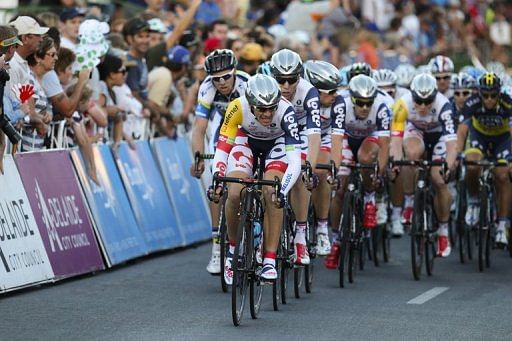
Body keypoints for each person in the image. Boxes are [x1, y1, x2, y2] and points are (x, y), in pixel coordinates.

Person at [209, 74, 302, 282]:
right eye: (261, 109)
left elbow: (295, 160)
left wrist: (283, 190)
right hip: (246, 141)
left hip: (276, 145)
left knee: (271, 193)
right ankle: (233, 251)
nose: (268, 113)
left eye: (272, 108)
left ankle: (269, 259)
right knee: (233, 192)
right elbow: (222, 150)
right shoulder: (237, 106)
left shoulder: (286, 112)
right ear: (251, 105)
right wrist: (218, 177)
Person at [189, 49, 249, 275]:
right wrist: (198, 157)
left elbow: (255, 124)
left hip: (246, 129)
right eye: (217, 79)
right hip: (222, 129)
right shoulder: (206, 87)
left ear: (234, 73)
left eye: (226, 76)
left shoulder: (246, 84)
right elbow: (199, 127)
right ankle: (216, 246)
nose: (222, 82)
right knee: (217, 182)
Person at [324, 75, 391, 269]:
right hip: (346, 138)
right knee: (340, 190)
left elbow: (385, 147)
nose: (364, 107)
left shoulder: (382, 108)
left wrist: (379, 173)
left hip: (371, 138)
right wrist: (334, 172)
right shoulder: (340, 105)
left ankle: (369, 200)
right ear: (352, 98)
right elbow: (335, 142)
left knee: (366, 158)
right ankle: (336, 240)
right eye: (360, 103)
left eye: (368, 103)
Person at [390, 73, 457, 257]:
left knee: (439, 179)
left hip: (438, 137)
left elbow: (452, 144)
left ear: (435, 96)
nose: (423, 106)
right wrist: (395, 162)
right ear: (412, 96)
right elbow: (395, 141)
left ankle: (443, 232)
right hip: (416, 132)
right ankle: (410, 202)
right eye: (418, 101)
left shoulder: (444, 105)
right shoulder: (402, 104)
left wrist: (448, 166)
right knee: (410, 155)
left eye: (428, 102)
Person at [270, 48, 321, 266]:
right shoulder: (264, 88)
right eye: (281, 80)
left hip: (299, 134)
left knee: (300, 171)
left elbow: (314, 134)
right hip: (274, 133)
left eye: (292, 80)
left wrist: (310, 165)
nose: (286, 86)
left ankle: (300, 235)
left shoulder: (309, 92)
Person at [457, 72, 512, 247]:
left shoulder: (507, 103)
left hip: (502, 140)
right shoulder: (472, 102)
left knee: (503, 176)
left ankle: (502, 225)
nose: (489, 99)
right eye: (485, 95)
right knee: (472, 165)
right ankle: (473, 201)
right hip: (479, 137)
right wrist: (457, 154)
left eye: (493, 95)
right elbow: (462, 131)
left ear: (498, 93)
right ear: (480, 93)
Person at [303, 60, 345, 256]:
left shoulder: (338, 103)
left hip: (324, 137)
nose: (336, 95)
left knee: (320, 170)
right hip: (298, 137)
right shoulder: (298, 97)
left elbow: (337, 141)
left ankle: (321, 228)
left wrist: (333, 171)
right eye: (331, 91)